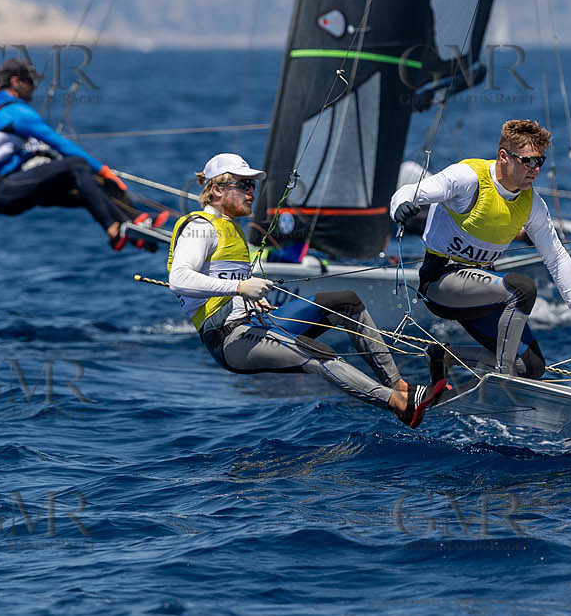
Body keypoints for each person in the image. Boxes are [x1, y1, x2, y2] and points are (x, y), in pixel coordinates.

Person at [169, 153, 449, 427]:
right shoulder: (200, 227)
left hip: (254, 322)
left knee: (346, 302)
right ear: (217, 190)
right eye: (243, 185)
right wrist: (240, 287)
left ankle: (399, 386)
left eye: (252, 185)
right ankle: (399, 405)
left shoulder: (231, 228)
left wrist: (249, 300)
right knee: (316, 353)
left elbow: (221, 281)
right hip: (229, 339)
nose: (251, 192)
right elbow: (179, 278)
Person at [390, 119, 571, 394]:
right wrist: (400, 206)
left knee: (532, 366)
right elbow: (410, 191)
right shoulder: (468, 178)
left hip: (482, 290)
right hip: (441, 282)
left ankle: (445, 356)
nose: (535, 169)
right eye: (528, 161)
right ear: (504, 156)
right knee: (522, 289)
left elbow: (556, 257)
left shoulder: (532, 205)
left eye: (540, 161)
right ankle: (502, 378)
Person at [0, 56, 162, 250]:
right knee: (78, 165)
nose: (33, 87)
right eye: (30, 82)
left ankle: (137, 231)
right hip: (2, 191)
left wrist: (23, 153)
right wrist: (102, 169)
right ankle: (113, 229)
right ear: (15, 82)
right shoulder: (16, 112)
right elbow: (61, 145)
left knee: (86, 187)